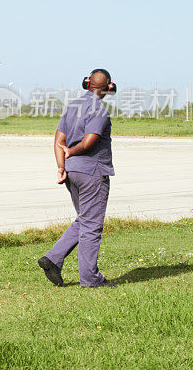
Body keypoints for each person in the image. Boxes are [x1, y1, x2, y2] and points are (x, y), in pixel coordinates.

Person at [38, 69, 117, 288]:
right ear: (109, 87)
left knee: (84, 219)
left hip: (72, 172)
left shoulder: (73, 107)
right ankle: (91, 280)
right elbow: (90, 140)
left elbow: (58, 139)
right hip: (92, 172)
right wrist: (72, 152)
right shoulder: (99, 110)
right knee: (92, 226)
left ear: (86, 83)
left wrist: (61, 166)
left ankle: (53, 259)